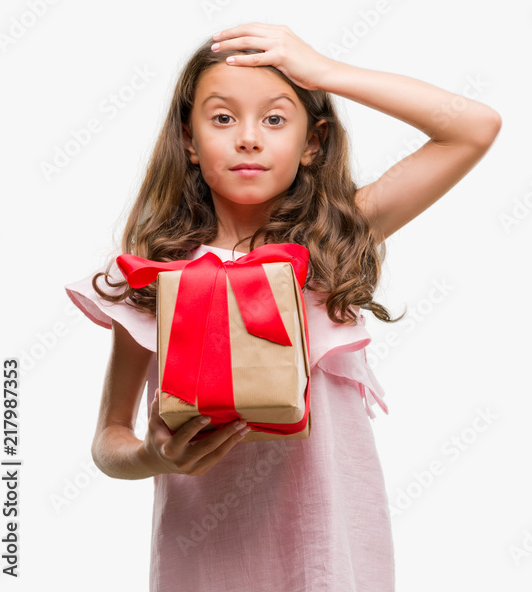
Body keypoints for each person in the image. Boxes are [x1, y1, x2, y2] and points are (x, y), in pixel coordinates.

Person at [63, 22, 501, 591]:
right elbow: (109, 440)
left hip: (330, 557)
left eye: (275, 118)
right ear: (189, 141)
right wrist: (154, 456)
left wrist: (325, 73)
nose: (249, 138)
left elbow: (473, 128)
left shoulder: (331, 243)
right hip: (207, 559)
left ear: (312, 142)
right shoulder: (155, 273)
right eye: (222, 118)